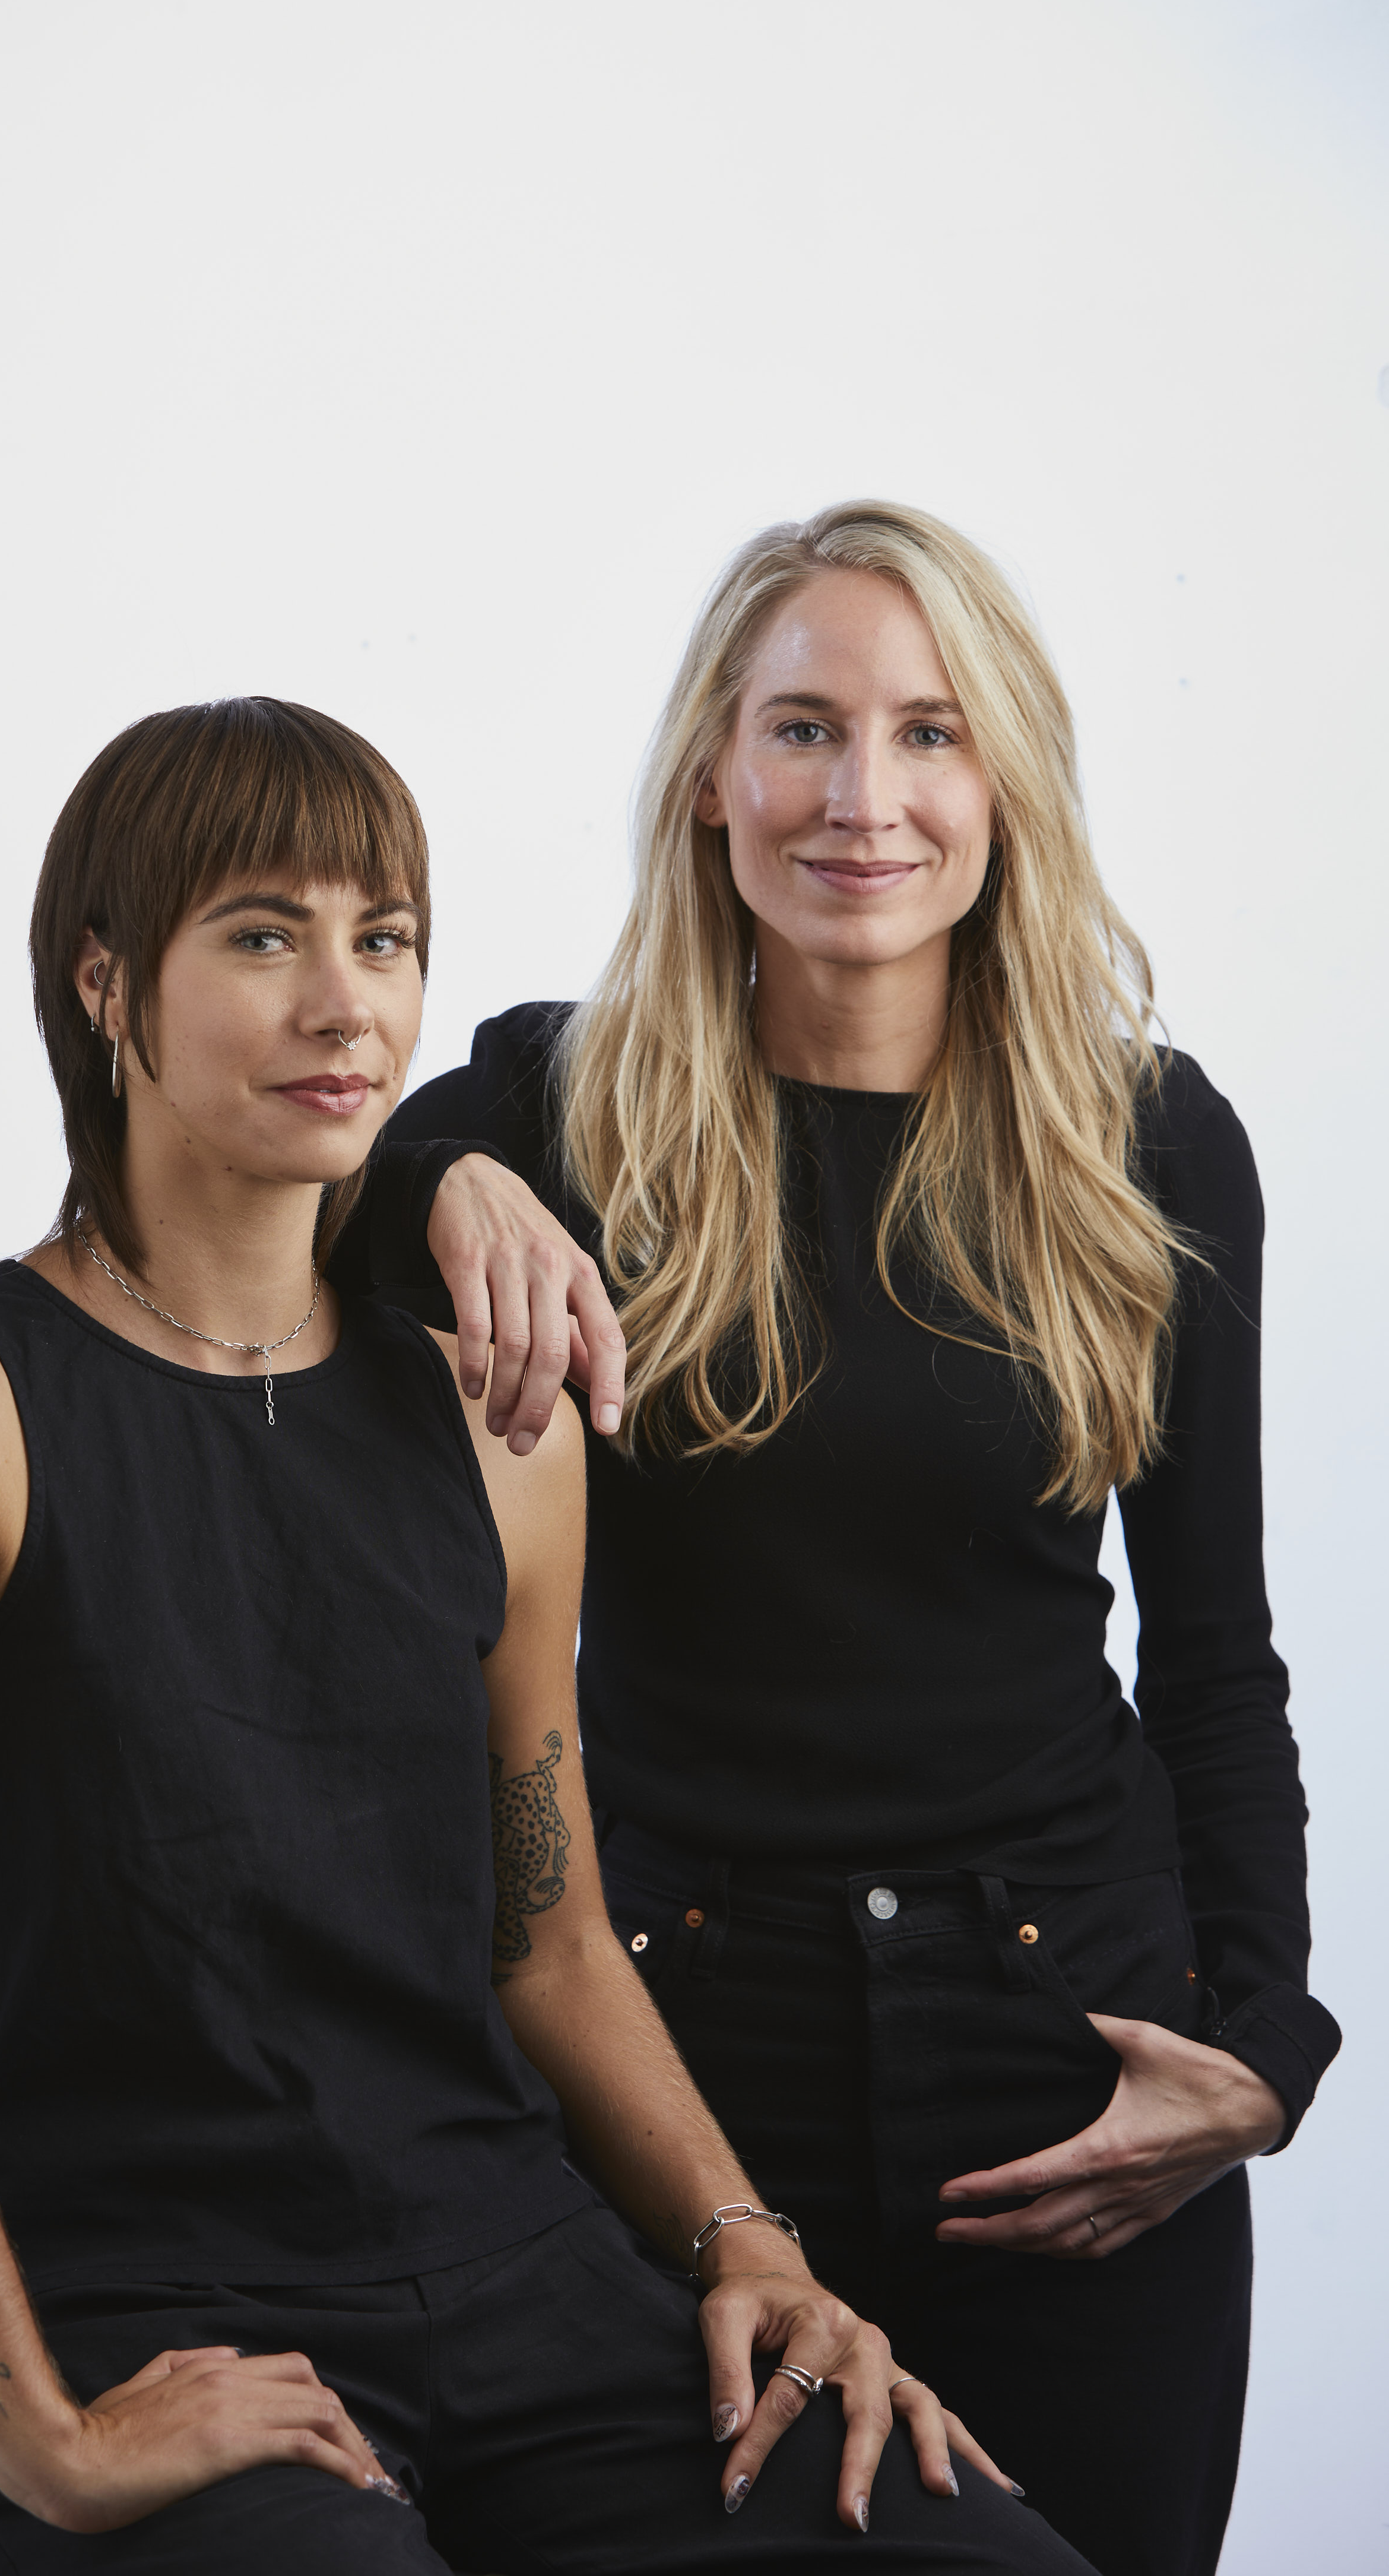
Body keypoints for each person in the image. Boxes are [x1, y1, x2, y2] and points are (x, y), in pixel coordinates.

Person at [0, 698, 1093, 2576]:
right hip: (149, 2308)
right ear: (107, 985)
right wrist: (39, 2433)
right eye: (261, 936)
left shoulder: (496, 1428)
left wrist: (753, 2250)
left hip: (532, 2289)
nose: (343, 1005)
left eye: (382, 940)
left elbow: (550, 1941)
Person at [337, 505, 1342, 2576]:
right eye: (803, 728)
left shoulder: (1151, 1145)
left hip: (1070, 2058)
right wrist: (443, 1183)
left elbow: (1214, 1657)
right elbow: (329, 1189)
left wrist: (1264, 2046)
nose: (862, 798)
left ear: (1006, 782)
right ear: (715, 776)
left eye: (929, 734)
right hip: (683, 2066)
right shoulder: (565, 1108)